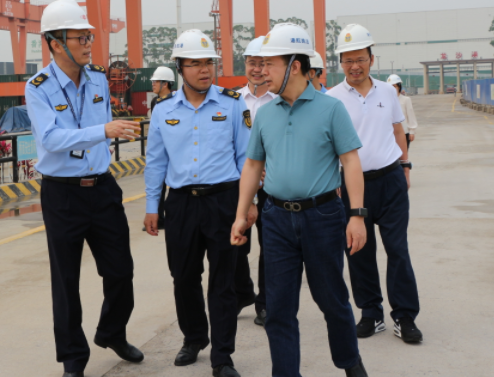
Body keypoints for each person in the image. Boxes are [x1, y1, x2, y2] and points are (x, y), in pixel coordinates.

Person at [231, 22, 370, 377]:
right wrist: (241, 213)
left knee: (332, 300)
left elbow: (351, 161)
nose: (262, 71)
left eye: (270, 63)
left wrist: (356, 215)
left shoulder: (330, 109)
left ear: (294, 65)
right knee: (278, 308)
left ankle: (350, 363)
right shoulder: (265, 113)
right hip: (276, 219)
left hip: (322, 217)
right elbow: (253, 164)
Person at [25, 0, 145, 377]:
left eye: (89, 36)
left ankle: (112, 332)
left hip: (103, 189)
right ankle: (73, 360)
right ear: (56, 43)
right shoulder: (38, 88)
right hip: (62, 194)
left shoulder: (97, 78)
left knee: (121, 270)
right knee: (66, 281)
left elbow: (101, 127)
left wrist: (103, 133)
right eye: (80, 37)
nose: (88, 43)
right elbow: (51, 139)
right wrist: (102, 131)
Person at [144, 29, 251, 377]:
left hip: (223, 201)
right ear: (180, 67)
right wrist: (152, 206)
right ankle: (194, 338)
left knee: (223, 282)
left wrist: (247, 203)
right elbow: (156, 162)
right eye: (195, 63)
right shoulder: (163, 111)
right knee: (184, 277)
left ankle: (222, 356)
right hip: (181, 205)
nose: (204, 69)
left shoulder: (232, 104)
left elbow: (246, 158)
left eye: (208, 62)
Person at [326, 24, 422, 344]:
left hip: (390, 180)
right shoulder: (332, 99)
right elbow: (327, 147)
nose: (355, 66)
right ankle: (371, 313)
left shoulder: (387, 92)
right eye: (348, 60)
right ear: (341, 62)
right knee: (359, 250)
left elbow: (398, 131)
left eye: (360, 59)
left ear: (371, 58)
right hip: (352, 186)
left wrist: (405, 167)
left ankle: (404, 316)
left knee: (398, 249)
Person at [234, 36, 276, 327]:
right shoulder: (232, 101)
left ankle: (265, 303)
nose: (258, 69)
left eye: (263, 63)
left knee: (271, 248)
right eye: (252, 63)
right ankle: (241, 293)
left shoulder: (281, 101)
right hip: (240, 186)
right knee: (237, 246)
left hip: (273, 186)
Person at [148, 66, 175, 230]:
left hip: (173, 150)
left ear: (165, 84)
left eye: (155, 81)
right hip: (161, 150)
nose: (152, 84)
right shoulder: (155, 103)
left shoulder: (177, 101)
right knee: (159, 184)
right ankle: (159, 217)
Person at [386, 74, 417, 151]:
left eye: (394, 86)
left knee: (403, 155)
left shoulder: (406, 100)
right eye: (390, 87)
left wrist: (412, 131)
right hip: (389, 134)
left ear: (399, 87)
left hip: (404, 133)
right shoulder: (385, 101)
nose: (392, 89)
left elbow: (410, 116)